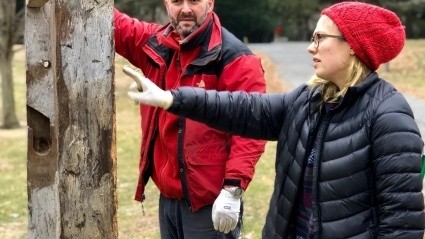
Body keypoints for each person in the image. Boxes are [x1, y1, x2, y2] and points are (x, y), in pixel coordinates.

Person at [125, 1, 425, 238]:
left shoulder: (389, 118)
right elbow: (243, 108)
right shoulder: (309, 101)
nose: (311, 46)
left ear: (353, 46)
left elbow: (402, 223)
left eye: (320, 37)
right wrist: (172, 99)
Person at [114, 0, 267, 238]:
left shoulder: (234, 58)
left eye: (194, 1)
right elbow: (114, 24)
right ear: (166, 4)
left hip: (210, 203)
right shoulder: (156, 45)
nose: (185, 8)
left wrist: (232, 189)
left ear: (210, 2)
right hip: (169, 199)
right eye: (177, 1)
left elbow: (251, 129)